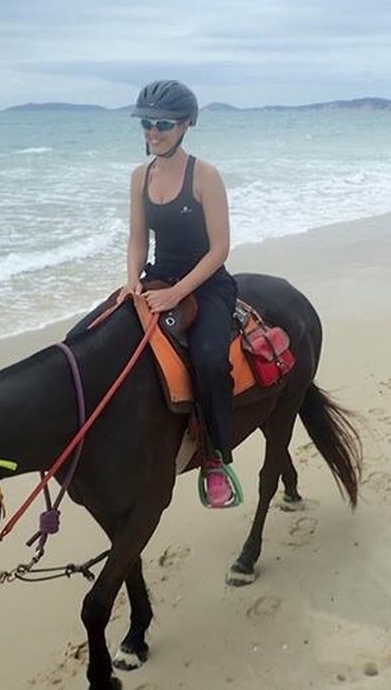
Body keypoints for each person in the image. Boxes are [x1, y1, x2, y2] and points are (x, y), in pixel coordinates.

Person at [117, 79, 241, 508]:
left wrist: (178, 294)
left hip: (206, 283)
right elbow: (137, 241)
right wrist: (133, 281)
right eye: (146, 124)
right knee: (95, 335)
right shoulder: (140, 176)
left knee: (208, 360)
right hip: (157, 277)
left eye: (162, 125)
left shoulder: (205, 175)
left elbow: (220, 248)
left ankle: (216, 458)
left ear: (186, 125)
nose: (152, 132)